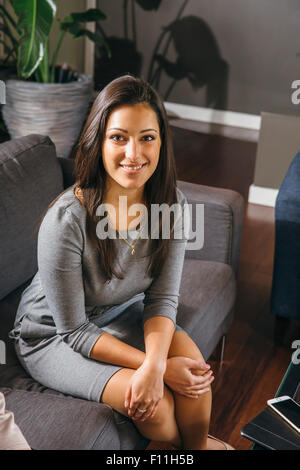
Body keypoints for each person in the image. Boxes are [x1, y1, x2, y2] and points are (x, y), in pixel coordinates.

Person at [9, 75, 234, 450]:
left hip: (119, 312)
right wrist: (154, 368)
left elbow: (162, 299)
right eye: (118, 137)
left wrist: (157, 362)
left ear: (162, 141)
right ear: (98, 141)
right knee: (155, 404)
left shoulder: (171, 205)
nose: (134, 153)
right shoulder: (67, 219)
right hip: (53, 335)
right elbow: (75, 330)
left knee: (194, 374)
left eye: (147, 137)